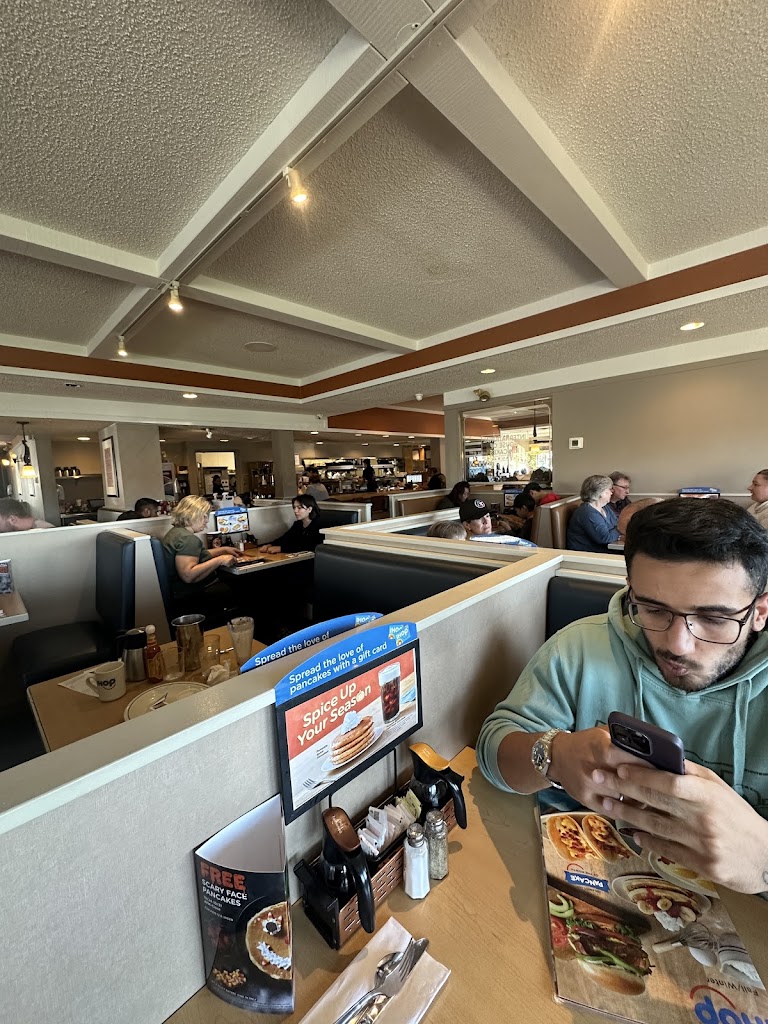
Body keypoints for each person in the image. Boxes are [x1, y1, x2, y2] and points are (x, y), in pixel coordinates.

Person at [477, 498, 768, 894]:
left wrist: (762, 861)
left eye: (714, 618)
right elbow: (494, 748)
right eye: (653, 610)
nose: (678, 645)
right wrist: (555, 755)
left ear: (759, 611)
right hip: (586, 881)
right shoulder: (579, 648)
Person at [161, 495, 237, 606]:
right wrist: (220, 560)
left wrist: (223, 550)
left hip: (178, 592)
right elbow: (188, 576)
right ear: (192, 515)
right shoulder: (188, 539)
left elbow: (195, 555)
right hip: (193, 594)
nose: (207, 521)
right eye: (204, 516)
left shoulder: (176, 532)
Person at [566, 474, 620, 553]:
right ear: (600, 492)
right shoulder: (587, 512)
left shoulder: (605, 507)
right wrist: (619, 531)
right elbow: (605, 538)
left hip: (605, 551)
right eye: (609, 489)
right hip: (588, 555)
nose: (611, 492)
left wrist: (617, 530)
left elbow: (618, 524)